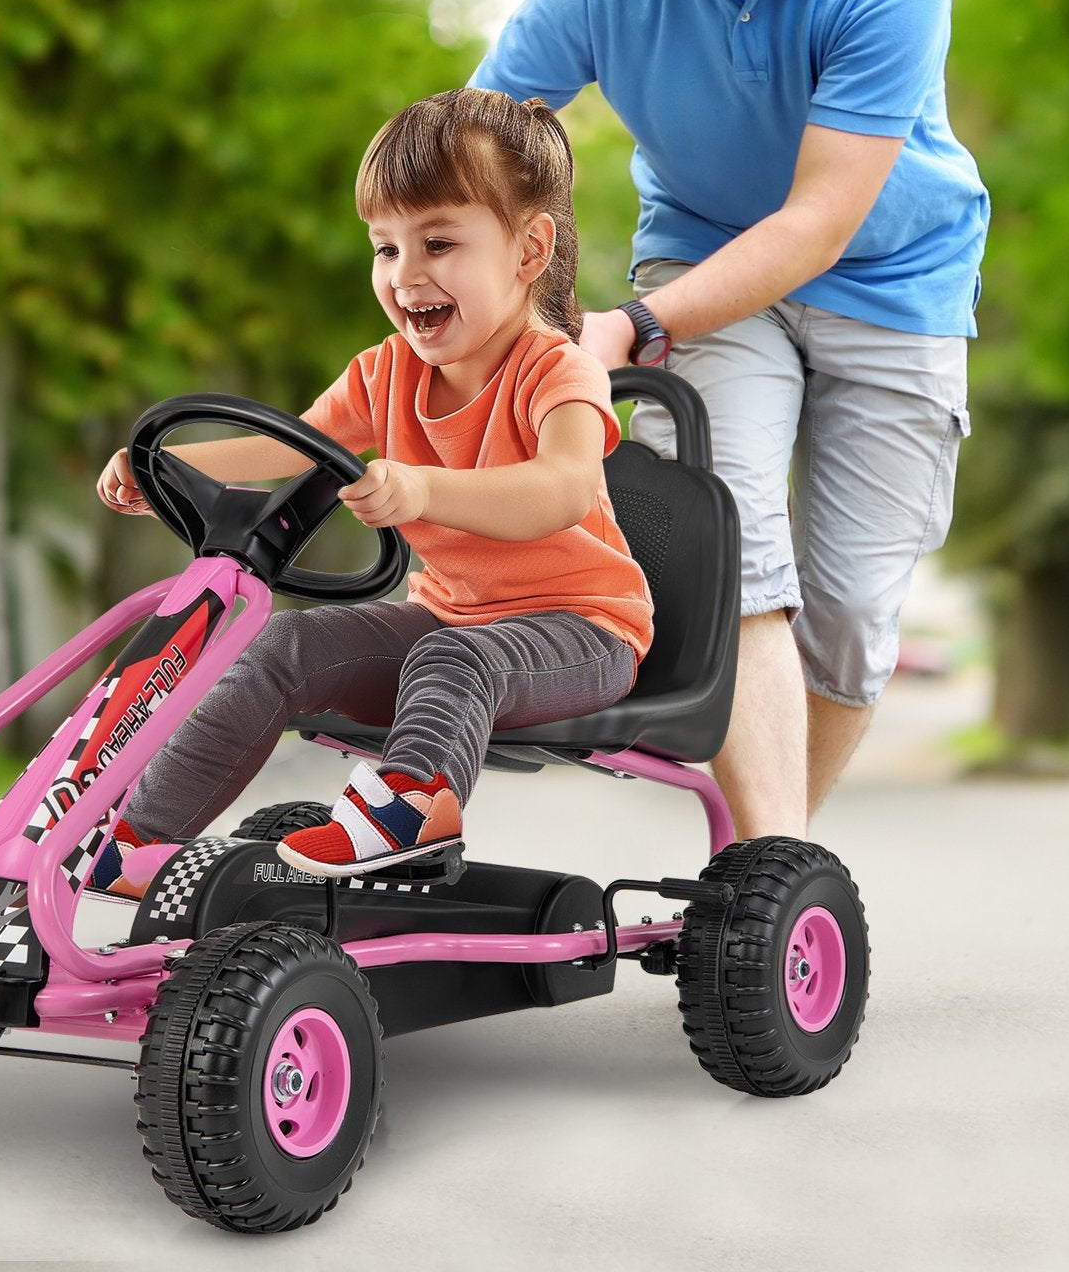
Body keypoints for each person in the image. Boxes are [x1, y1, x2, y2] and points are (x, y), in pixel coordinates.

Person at [471, 0, 989, 841]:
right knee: (738, 547)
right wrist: (459, 274)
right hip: (702, 252)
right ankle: (765, 881)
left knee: (850, 611)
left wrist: (627, 325)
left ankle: (761, 881)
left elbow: (813, 223)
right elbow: (479, 140)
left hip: (890, 275)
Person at [86, 87, 653, 897]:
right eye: (386, 249)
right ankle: (137, 842)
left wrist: (423, 488)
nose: (406, 274)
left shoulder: (558, 369)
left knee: (453, 654)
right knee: (282, 644)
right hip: (451, 620)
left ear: (529, 252)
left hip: (583, 630)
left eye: (439, 242)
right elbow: (286, 448)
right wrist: (165, 464)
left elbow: (562, 490)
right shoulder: (384, 372)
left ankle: (414, 805)